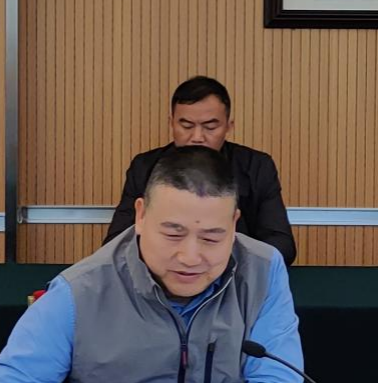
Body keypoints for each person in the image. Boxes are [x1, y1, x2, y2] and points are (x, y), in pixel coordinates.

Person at [0, 146, 304, 383]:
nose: (190, 257)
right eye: (173, 234)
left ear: (234, 224)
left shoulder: (262, 270)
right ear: (140, 215)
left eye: (212, 238)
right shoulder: (81, 290)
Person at [104, 76, 297, 266]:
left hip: (236, 276)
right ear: (171, 123)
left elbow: (281, 246)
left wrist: (216, 258)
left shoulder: (256, 166)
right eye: (186, 126)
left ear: (228, 126)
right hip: (163, 275)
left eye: (210, 127)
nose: (197, 137)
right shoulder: (145, 167)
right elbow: (116, 244)